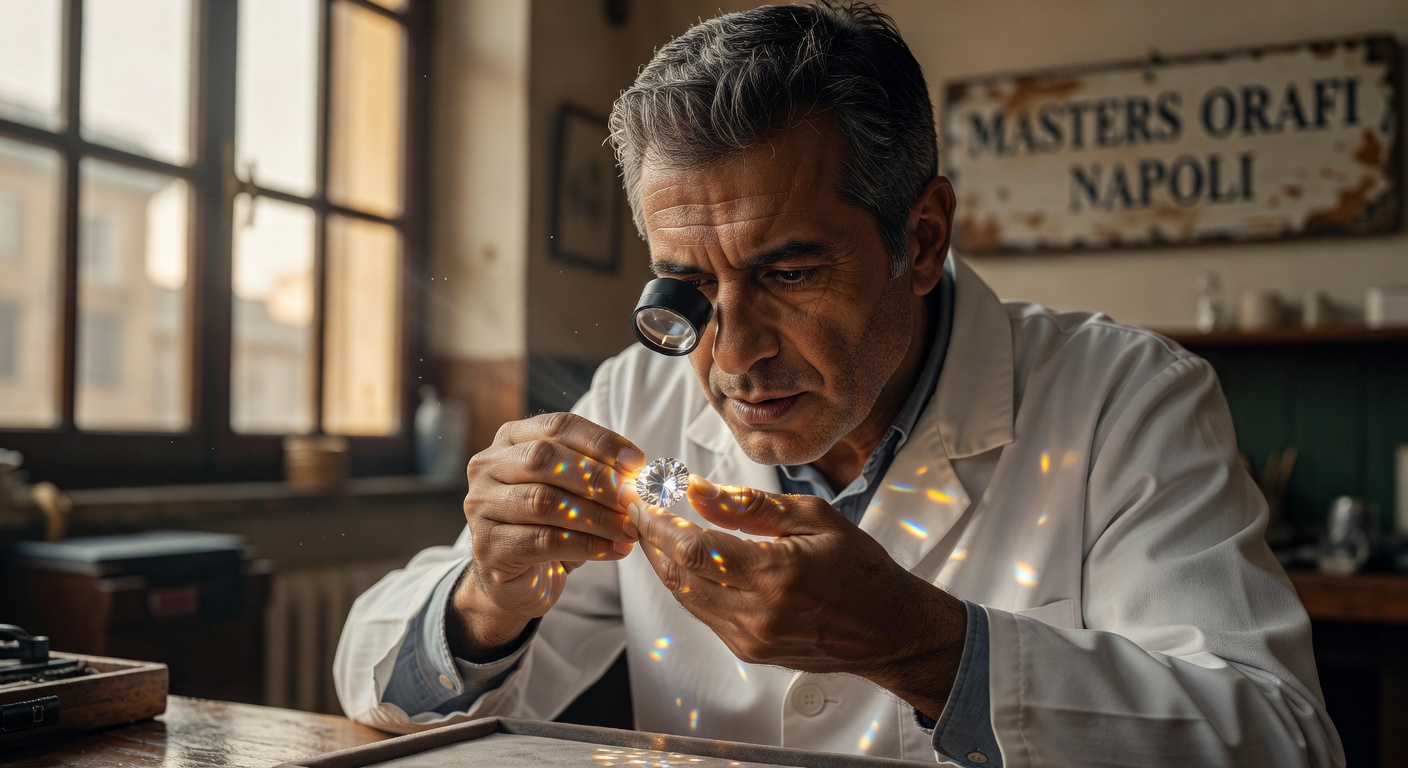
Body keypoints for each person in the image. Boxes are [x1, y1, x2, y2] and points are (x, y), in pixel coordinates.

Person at [334, 3, 1344, 765]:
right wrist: (487, 596)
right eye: (687, 289)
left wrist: (921, 647)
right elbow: (376, 689)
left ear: (921, 235)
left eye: (788, 273)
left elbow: (1280, 738)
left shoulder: (1125, 398)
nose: (731, 358)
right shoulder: (639, 402)